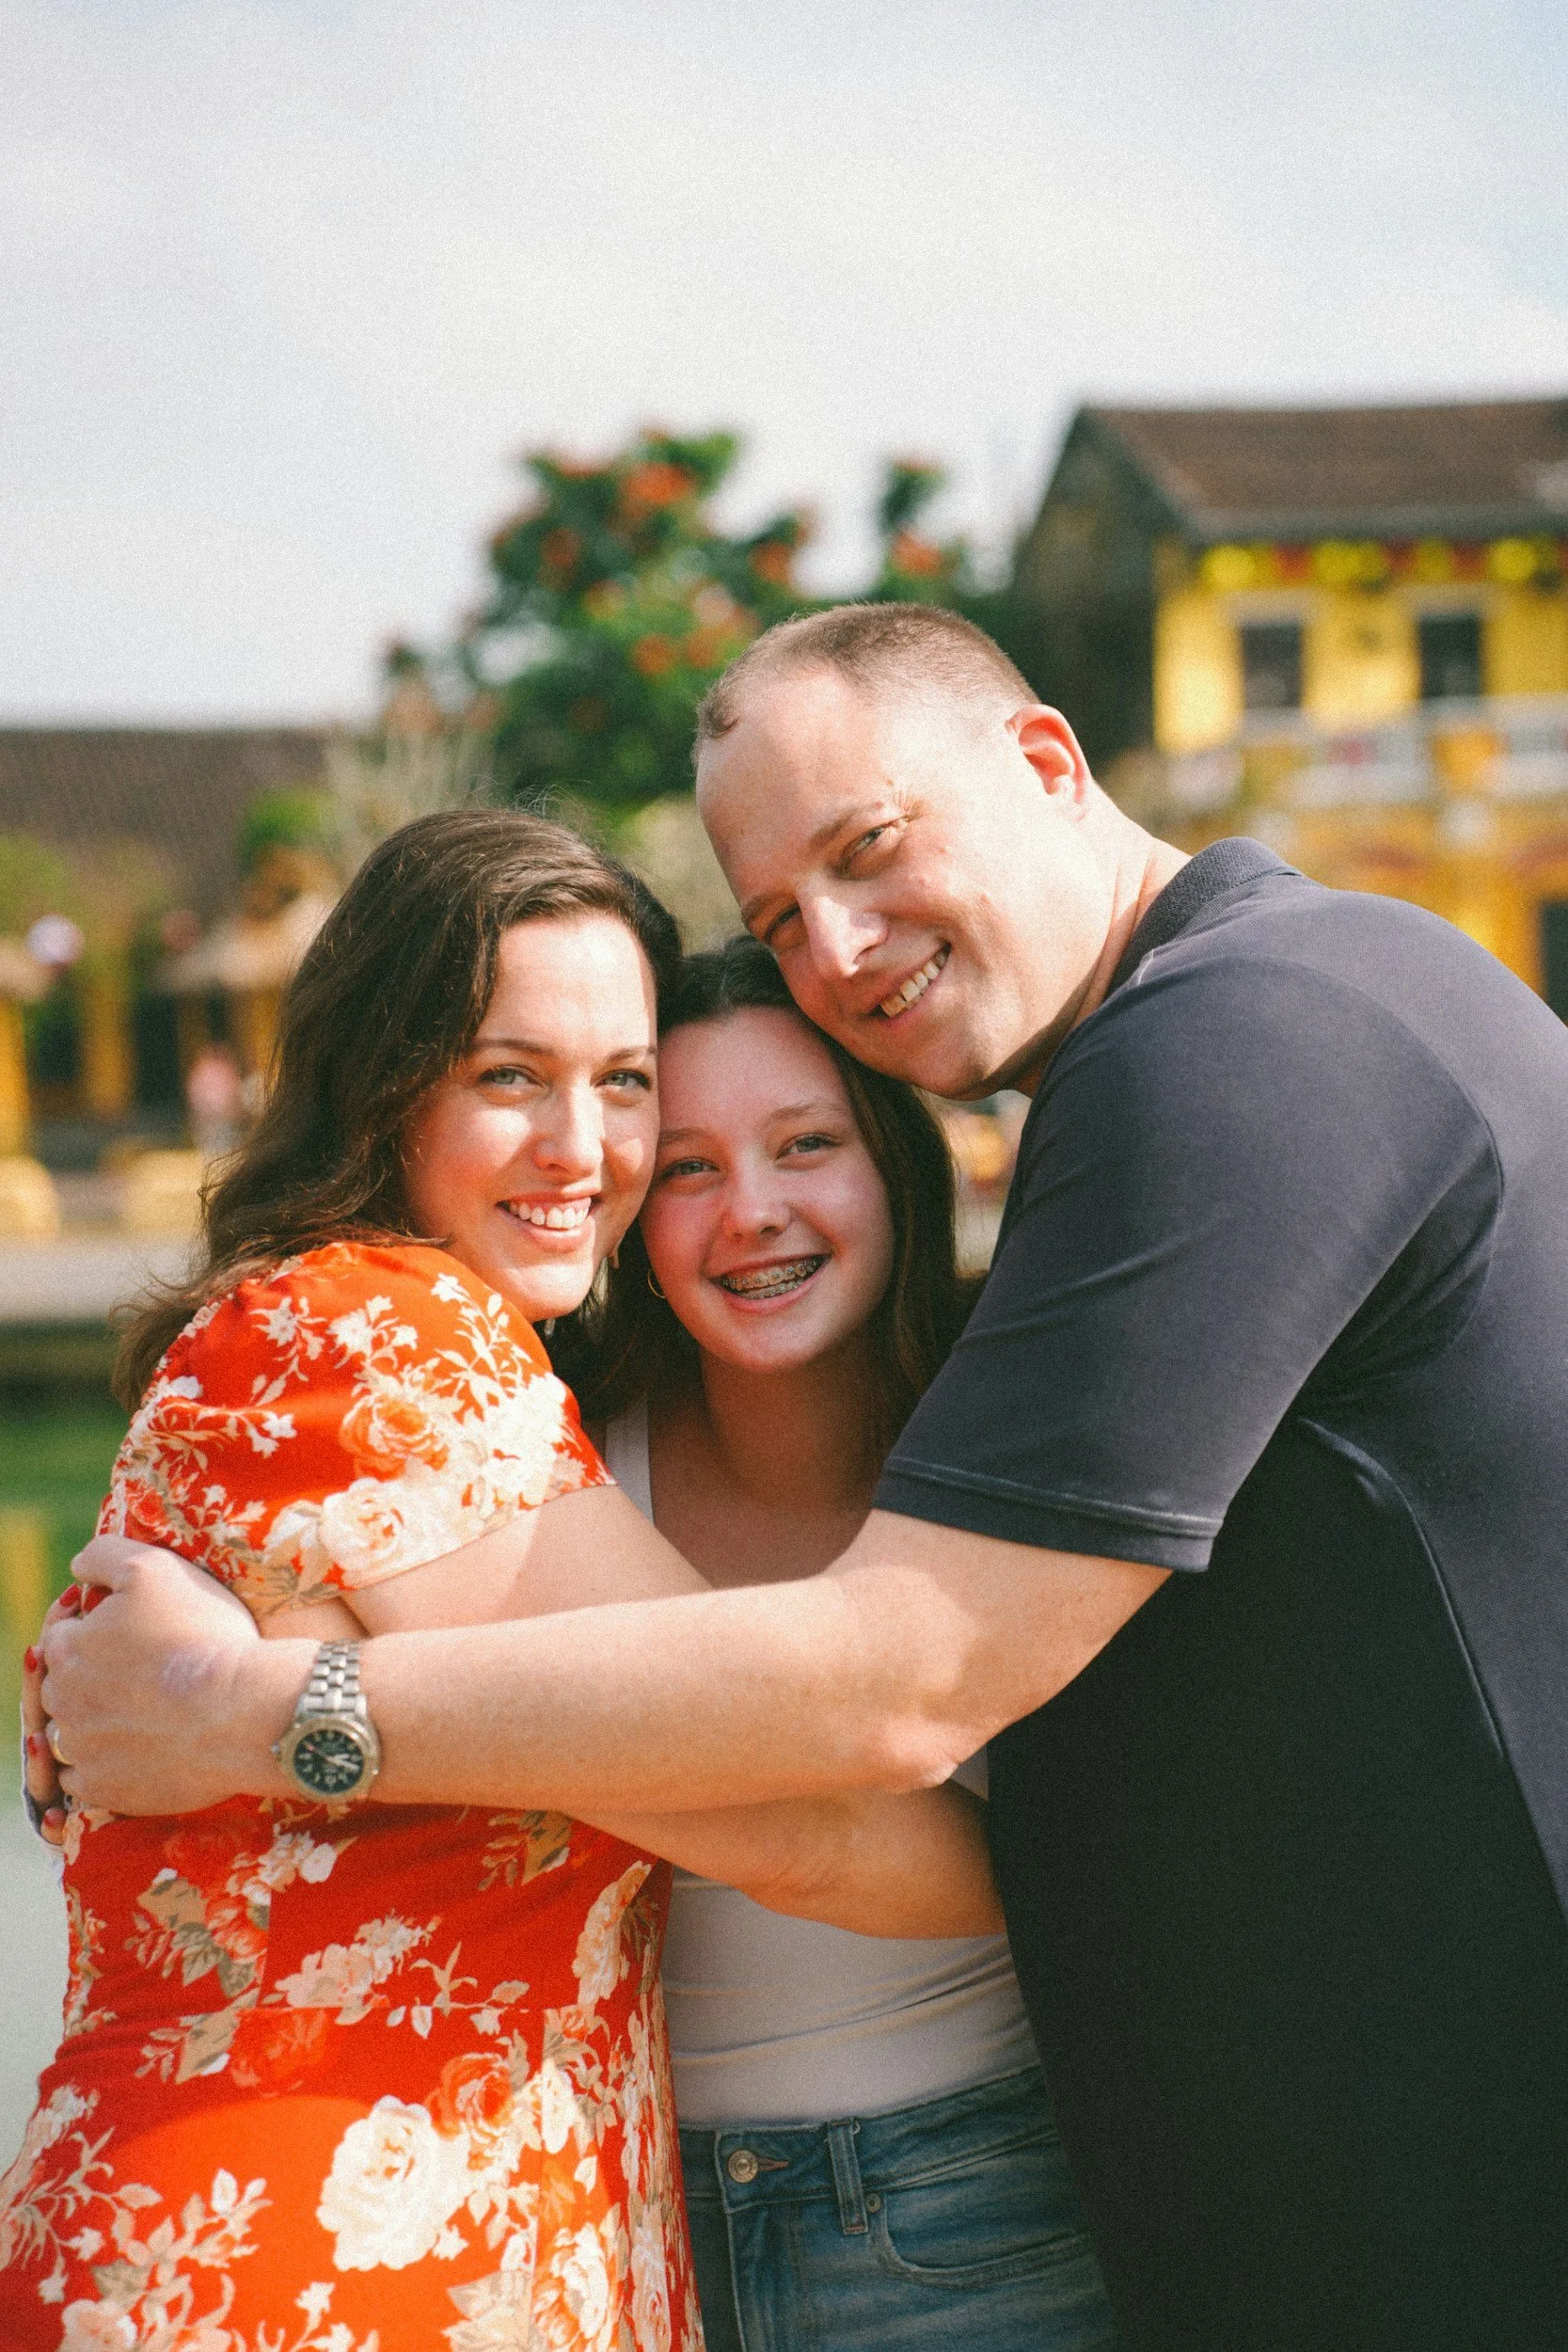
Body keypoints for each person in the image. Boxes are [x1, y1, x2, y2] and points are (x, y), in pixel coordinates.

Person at [37, 603, 1568, 2351]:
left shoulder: (1235, 1041)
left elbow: (897, 1681)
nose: (836, 949)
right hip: (458, 2224)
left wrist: (255, 1711)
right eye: (775, 916)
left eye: (868, 849)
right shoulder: (436, 1358)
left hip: (1413, 2144)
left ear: (1045, 762)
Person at [4, 806, 998, 2352]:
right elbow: (800, 1800)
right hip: (314, 2257)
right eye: (507, 1078)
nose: (578, 1149)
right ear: (383, 1087)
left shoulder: (353, 1341)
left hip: (373, 2235)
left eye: (619, 1086)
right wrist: (1090, 1895)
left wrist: (244, 1707)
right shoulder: (383, 1343)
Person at [554, 935, 1117, 2352]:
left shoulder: (1040, 1428)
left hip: (975, 2211)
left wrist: (291, 1707)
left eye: (805, 1146)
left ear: (894, 1168)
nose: (751, 1212)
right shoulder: (549, 1456)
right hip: (611, 2224)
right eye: (685, 1167)